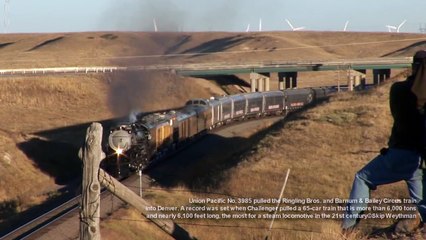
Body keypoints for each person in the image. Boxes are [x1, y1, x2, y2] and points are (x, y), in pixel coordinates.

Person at [342, 50, 426, 232]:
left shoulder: (399, 90)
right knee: (422, 202)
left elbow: (398, 114)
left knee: (362, 178)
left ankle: (348, 229)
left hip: (399, 153)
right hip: (421, 160)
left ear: (413, 67)